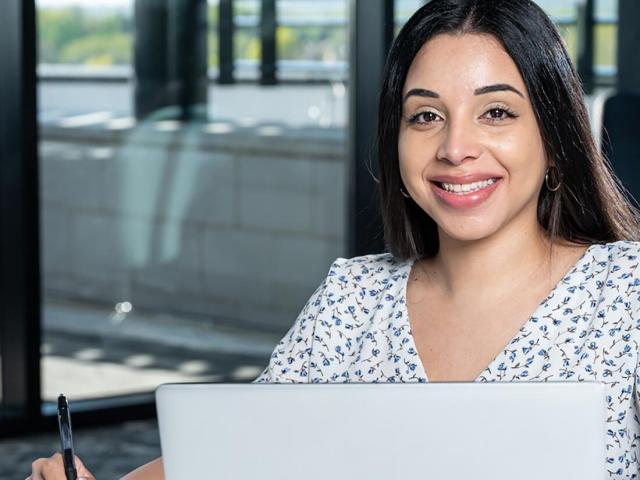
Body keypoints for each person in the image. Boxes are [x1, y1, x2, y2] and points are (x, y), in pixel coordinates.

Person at [28, 0, 640, 478]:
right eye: (425, 115)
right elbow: (240, 455)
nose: (455, 148)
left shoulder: (627, 294)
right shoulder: (352, 299)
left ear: (557, 140)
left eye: (497, 113)